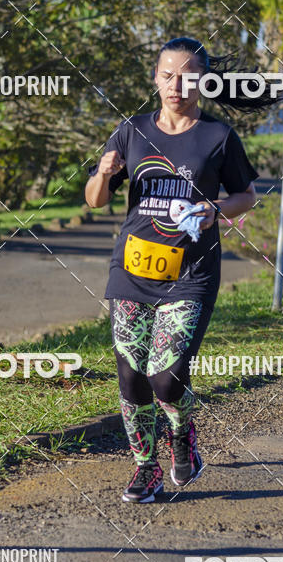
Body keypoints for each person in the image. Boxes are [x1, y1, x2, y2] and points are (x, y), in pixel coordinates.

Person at [85, 37, 271, 503]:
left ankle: (182, 432)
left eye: (188, 77)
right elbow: (95, 200)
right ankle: (145, 469)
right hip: (131, 268)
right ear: (155, 78)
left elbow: (248, 195)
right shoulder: (132, 131)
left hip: (191, 273)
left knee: (166, 377)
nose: (177, 86)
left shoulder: (217, 137)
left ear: (203, 82)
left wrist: (217, 209)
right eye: (168, 76)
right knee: (131, 374)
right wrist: (103, 174)